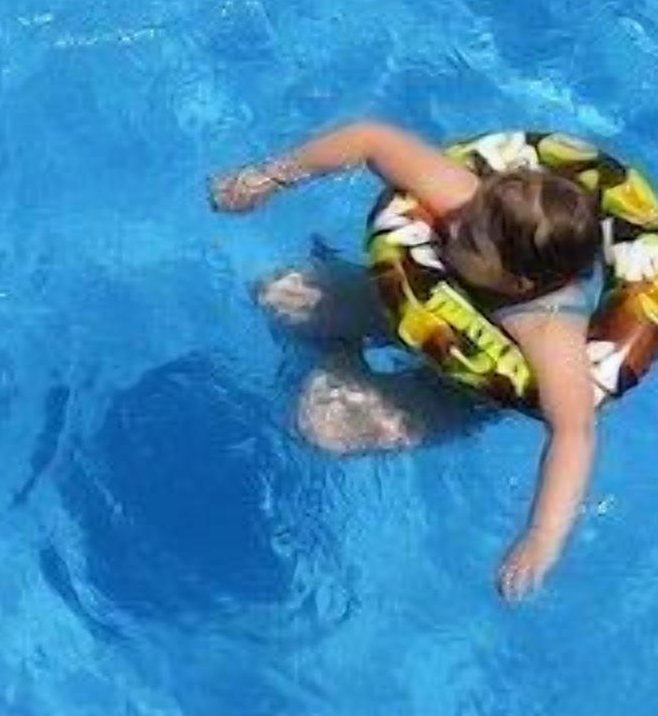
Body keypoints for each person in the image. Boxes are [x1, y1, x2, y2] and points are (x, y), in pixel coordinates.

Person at [211, 117, 604, 599]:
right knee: (279, 292)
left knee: (323, 424)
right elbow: (371, 137)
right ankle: (342, 344)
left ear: (517, 282)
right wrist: (268, 177)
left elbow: (574, 433)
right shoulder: (472, 208)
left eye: (471, 241)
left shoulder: (548, 328)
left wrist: (541, 538)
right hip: (407, 305)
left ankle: (342, 357)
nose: (453, 224)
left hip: (463, 386)